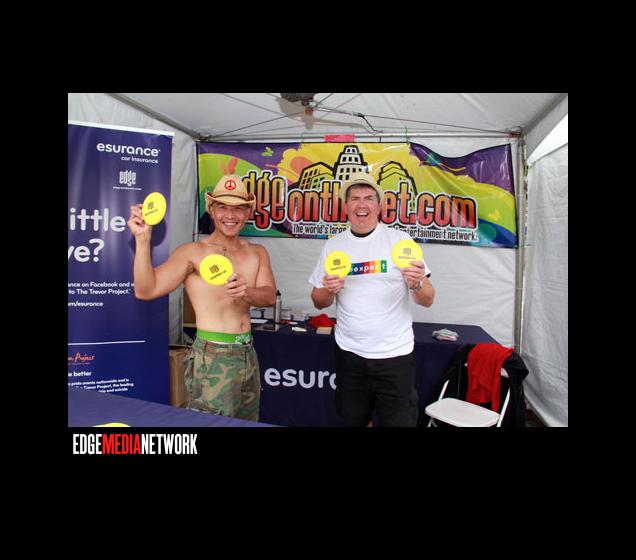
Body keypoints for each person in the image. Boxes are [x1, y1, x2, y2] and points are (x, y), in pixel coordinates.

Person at [127, 175, 276, 421]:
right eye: (223, 207)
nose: (230, 215)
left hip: (248, 353)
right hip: (213, 355)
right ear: (211, 210)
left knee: (247, 423)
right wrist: (143, 241)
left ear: (248, 213)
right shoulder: (192, 252)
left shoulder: (258, 252)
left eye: (238, 208)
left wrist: (247, 292)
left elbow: (269, 296)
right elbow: (146, 290)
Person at [308, 171, 435, 427]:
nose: (361, 205)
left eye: (368, 198)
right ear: (346, 207)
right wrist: (329, 289)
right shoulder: (333, 246)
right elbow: (318, 301)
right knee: (354, 421)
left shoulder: (400, 242)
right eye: (355, 199)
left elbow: (428, 299)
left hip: (395, 356)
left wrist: (417, 283)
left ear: (379, 206)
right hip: (350, 355)